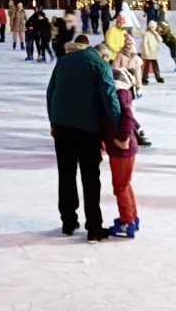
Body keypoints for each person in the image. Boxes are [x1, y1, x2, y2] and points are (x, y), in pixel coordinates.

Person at [46, 41, 122, 243]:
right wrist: (120, 128)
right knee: (90, 177)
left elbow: (51, 92)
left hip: (62, 126)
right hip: (87, 128)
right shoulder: (101, 66)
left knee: (66, 174)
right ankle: (94, 227)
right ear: (105, 56)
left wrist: (53, 121)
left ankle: (68, 222)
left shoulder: (65, 60)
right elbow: (109, 98)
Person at [101, 67, 140, 238]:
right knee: (125, 184)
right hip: (124, 148)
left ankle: (127, 222)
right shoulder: (123, 92)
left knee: (120, 187)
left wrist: (123, 138)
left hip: (122, 149)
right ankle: (132, 217)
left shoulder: (118, 94)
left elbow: (128, 116)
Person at [140, 21, 164, 85]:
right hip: (148, 52)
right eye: (151, 27)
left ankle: (158, 76)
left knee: (155, 65)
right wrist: (146, 51)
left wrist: (156, 34)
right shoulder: (146, 34)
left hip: (154, 52)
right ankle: (144, 77)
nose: (153, 28)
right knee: (147, 66)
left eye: (154, 27)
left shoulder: (156, 34)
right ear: (149, 27)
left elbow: (160, 40)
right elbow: (144, 44)